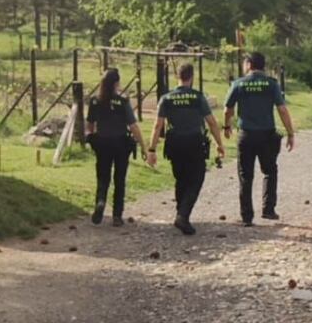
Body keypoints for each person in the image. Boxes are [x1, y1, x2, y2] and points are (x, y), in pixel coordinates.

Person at [147, 63, 225, 235]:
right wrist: (219, 143)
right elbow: (211, 122)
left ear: (178, 76)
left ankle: (181, 214)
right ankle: (183, 215)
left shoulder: (166, 98)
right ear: (192, 77)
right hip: (194, 142)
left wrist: (151, 150)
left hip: (174, 143)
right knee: (196, 178)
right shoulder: (198, 98)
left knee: (180, 178)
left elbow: (157, 125)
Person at [223, 52, 296, 226]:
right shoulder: (272, 84)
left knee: (245, 175)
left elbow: (228, 109)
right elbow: (282, 109)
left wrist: (227, 126)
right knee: (270, 171)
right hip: (267, 134)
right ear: (262, 66)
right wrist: (290, 133)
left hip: (246, 134)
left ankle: (246, 216)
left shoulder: (239, 84)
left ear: (249, 64)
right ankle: (268, 209)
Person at [86, 68, 148, 227]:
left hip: (102, 143)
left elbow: (90, 124)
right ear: (116, 83)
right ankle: (117, 216)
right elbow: (133, 125)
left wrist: (91, 139)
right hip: (120, 144)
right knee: (119, 179)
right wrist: (143, 146)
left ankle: (100, 202)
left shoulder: (95, 100)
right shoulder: (122, 101)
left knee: (103, 177)